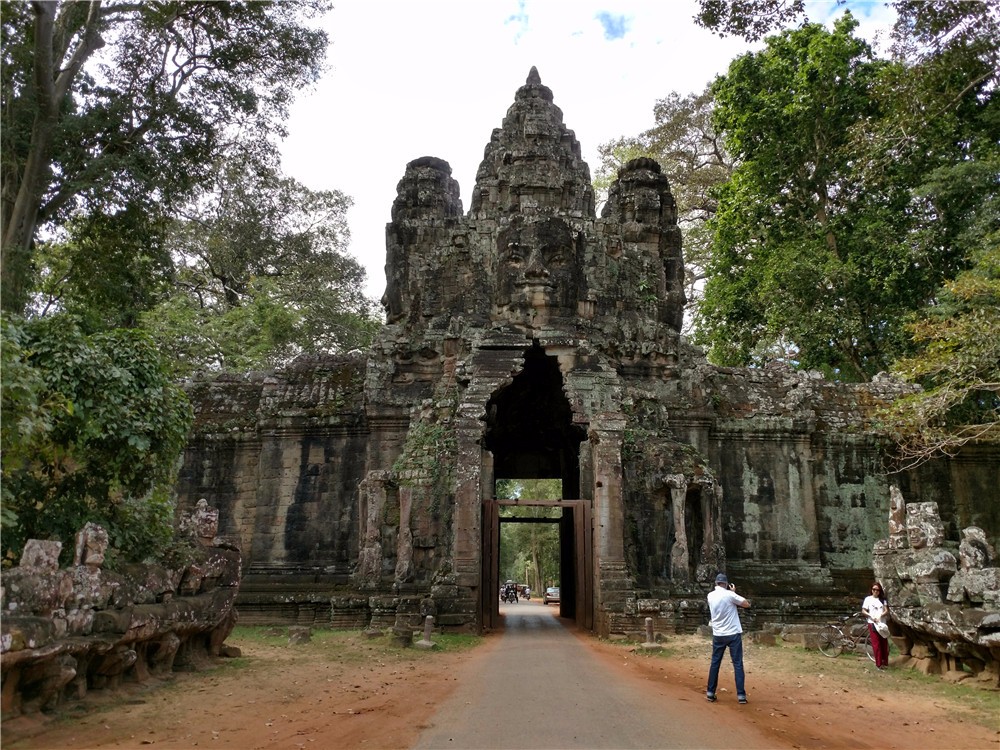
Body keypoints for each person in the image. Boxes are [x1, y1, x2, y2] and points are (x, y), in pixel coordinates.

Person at [706, 572, 751, 704]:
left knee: (715, 663)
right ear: (726, 584)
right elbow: (746, 604)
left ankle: (710, 692)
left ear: (716, 583)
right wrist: (733, 592)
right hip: (732, 634)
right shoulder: (730, 595)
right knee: (737, 664)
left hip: (718, 634)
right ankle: (741, 695)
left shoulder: (710, 596)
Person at [862, 581, 890, 669]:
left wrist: (881, 615)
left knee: (883, 644)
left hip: (882, 623)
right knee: (876, 644)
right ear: (871, 590)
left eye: (877, 590)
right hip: (872, 623)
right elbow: (863, 610)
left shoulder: (883, 600)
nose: (875, 591)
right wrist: (871, 616)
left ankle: (884, 662)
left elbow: (886, 610)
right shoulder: (868, 599)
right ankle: (878, 664)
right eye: (874, 589)